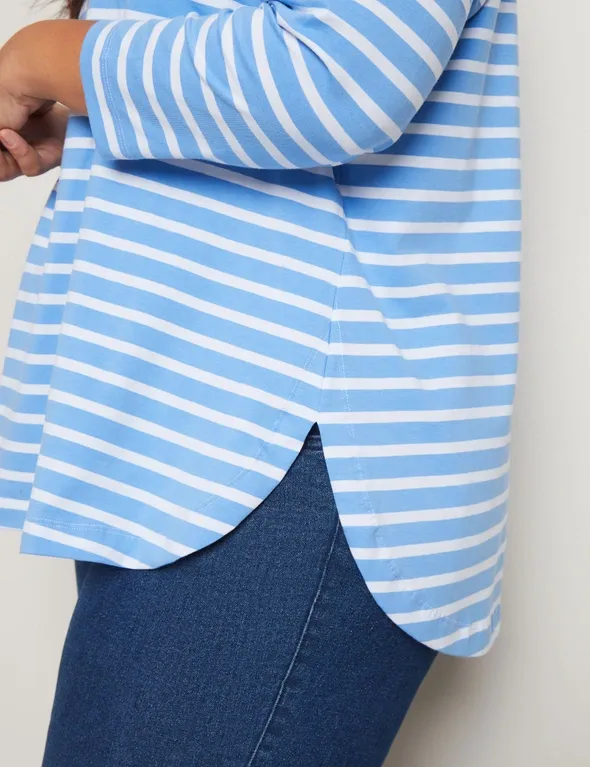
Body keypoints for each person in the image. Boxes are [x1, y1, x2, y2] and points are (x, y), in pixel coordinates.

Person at [0, 0, 520, 764]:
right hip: (205, 443)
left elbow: (335, 79)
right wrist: (98, 104)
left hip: (279, 447)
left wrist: (41, 56)